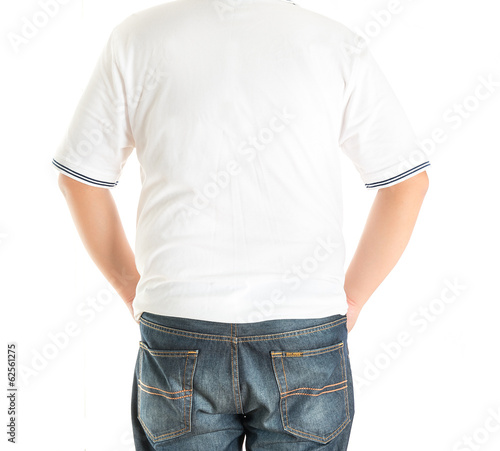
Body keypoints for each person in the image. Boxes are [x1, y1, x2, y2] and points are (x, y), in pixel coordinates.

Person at [52, 0, 430, 449]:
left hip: (179, 326)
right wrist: (355, 296)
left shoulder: (137, 38)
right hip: (304, 328)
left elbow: (79, 180)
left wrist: (130, 286)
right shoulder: (333, 43)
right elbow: (408, 184)